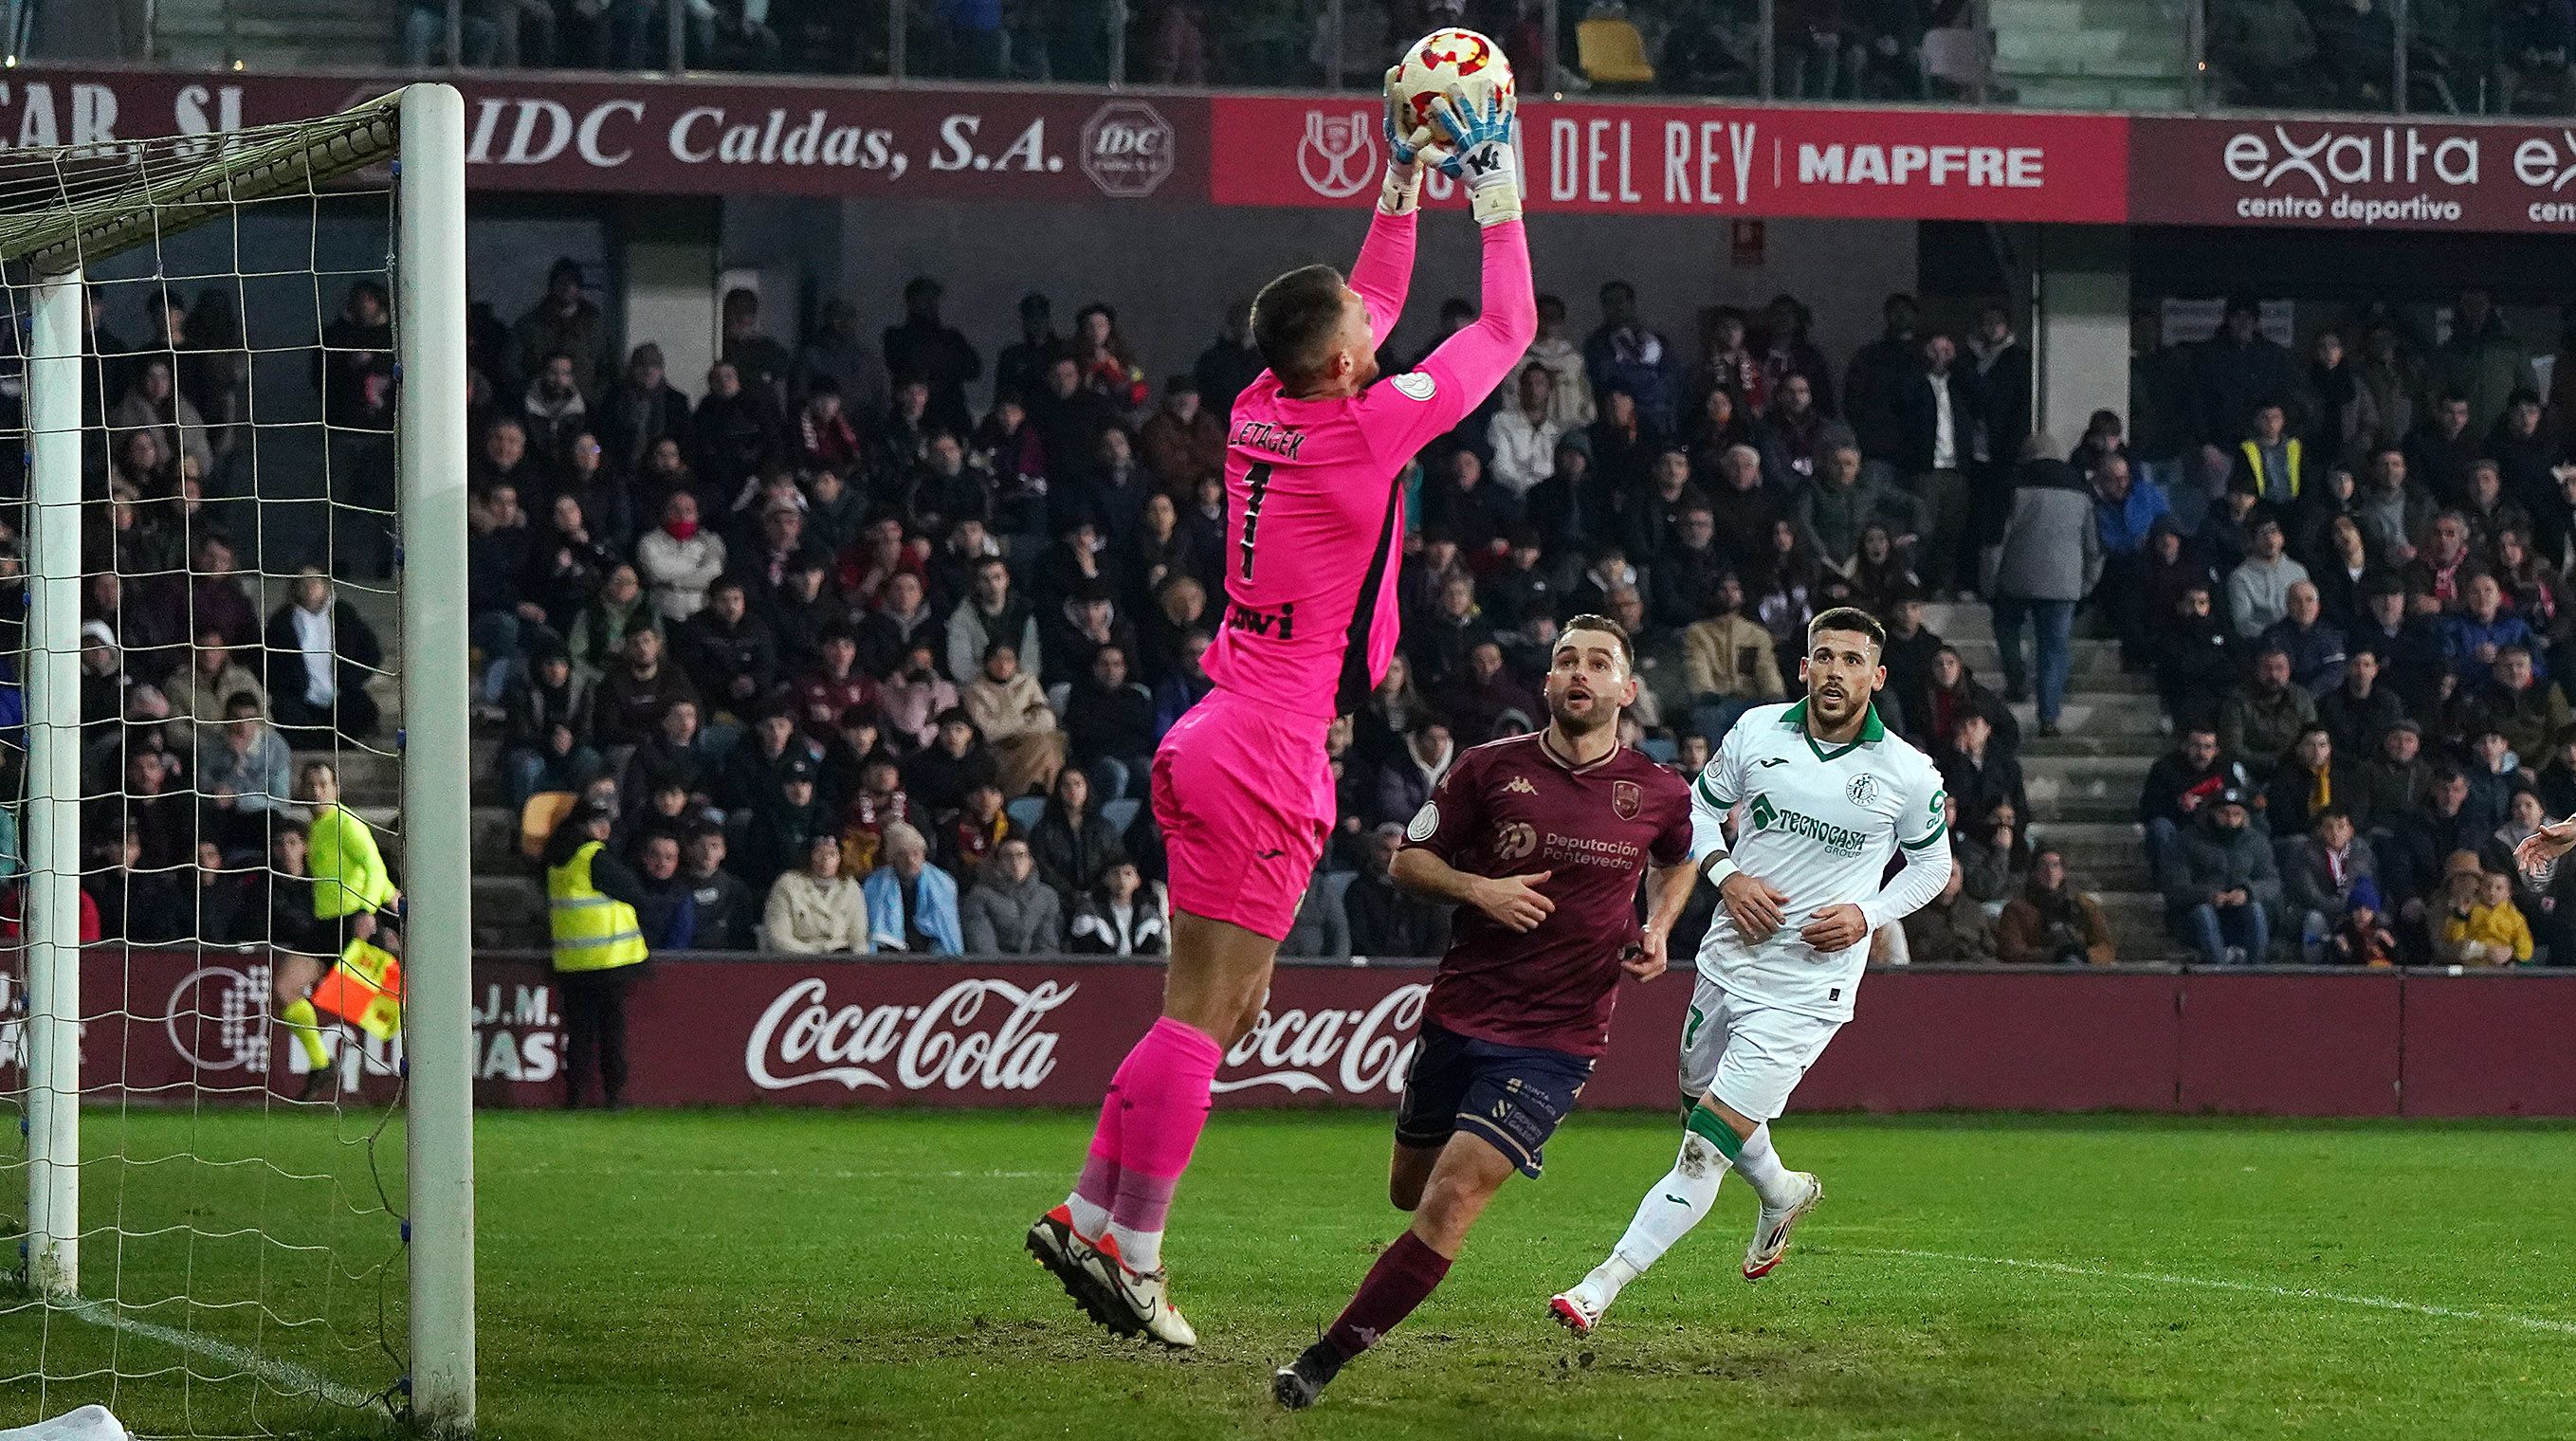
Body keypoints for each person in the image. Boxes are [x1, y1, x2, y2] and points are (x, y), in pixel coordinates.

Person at [1030, 78, 1537, 1351]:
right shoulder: (1367, 431)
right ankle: (1131, 1251)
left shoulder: (1266, 405)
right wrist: (1499, 194)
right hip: (1262, 744)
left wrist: (1398, 178)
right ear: (1349, 364)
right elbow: (1507, 329)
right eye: (1366, 338)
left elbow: (1356, 301)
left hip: (1214, 726)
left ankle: (1093, 1212)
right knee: (1208, 1016)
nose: (1379, 335)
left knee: (1215, 1008)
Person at [1272, 614, 1695, 1409]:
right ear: (1546, 684)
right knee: (1408, 1190)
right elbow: (1408, 861)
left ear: (1624, 690)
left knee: (1454, 1196)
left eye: (1598, 663)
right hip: (1462, 1013)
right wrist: (1478, 888)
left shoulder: (1658, 789)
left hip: (1558, 1038)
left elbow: (1679, 857)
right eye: (1565, 660)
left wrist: (1660, 928)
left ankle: (1320, 1361)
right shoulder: (1486, 770)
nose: (1579, 673)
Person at [1550, 608, 1951, 1334]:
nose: (1835, 671)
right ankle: (1783, 1190)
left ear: (1877, 676)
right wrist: (1727, 875)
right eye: (1822, 656)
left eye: (1852, 661)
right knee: (1702, 1113)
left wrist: (1868, 913)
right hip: (1728, 962)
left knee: (1703, 1147)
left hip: (1809, 986)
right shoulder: (1756, 731)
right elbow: (1698, 815)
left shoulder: (1905, 772)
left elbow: (1932, 866)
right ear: (1802, 666)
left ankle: (1597, 1287)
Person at [541, 800, 650, 1109]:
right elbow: (634, 893)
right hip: (608, 960)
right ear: (584, 826)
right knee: (611, 1032)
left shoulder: (554, 860)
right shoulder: (593, 857)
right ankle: (613, 1096)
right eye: (599, 822)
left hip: (571, 962)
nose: (605, 828)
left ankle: (575, 1096)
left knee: (579, 1033)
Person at [1989, 447, 2101, 734]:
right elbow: (2094, 546)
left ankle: (2017, 681)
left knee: (2007, 628)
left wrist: (1990, 582)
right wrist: (2085, 583)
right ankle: (2048, 717)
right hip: (2064, 585)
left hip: (2017, 579)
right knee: (2053, 649)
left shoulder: (2015, 488)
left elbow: (1997, 539)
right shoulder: (2082, 493)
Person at [2160, 789, 2279, 965]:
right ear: (2212, 813)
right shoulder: (2187, 840)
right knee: (2203, 913)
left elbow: (2272, 882)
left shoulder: (2257, 842)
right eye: (2224, 814)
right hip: (2197, 916)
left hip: (2240, 913)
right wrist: (2208, 895)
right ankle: (2218, 972)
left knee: (2255, 910)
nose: (2231, 820)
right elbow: (2175, 888)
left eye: (2236, 815)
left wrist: (2247, 893)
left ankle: (2257, 972)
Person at [1994, 848, 2114, 965]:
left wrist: (2085, 955)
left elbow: (2106, 947)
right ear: (2034, 873)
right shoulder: (2016, 910)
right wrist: (2055, 955)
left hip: (2082, 971)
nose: (2049, 871)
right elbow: (2012, 952)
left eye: (2055, 865)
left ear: (2063, 872)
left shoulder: (2084, 905)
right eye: (2043, 866)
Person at [864, 820, 964, 955]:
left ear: (924, 855)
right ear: (892, 858)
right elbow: (875, 934)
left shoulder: (943, 884)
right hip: (889, 953)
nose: (910, 860)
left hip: (930, 950)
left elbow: (946, 933)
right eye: (903, 855)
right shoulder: (875, 884)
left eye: (915, 853)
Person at [764, 830, 868, 955]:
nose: (825, 859)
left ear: (840, 858)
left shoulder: (851, 887)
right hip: (798, 961)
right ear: (809, 855)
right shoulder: (787, 884)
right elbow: (779, 939)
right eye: (819, 853)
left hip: (842, 961)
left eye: (831, 854)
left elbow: (858, 938)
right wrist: (819, 952)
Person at [961, 837, 1064, 955]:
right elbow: (983, 948)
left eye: (1021, 855)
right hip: (995, 970)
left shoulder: (1046, 896)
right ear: (997, 863)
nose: (1015, 862)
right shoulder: (979, 896)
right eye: (1008, 856)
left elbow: (1047, 945)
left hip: (1037, 969)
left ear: (1031, 861)